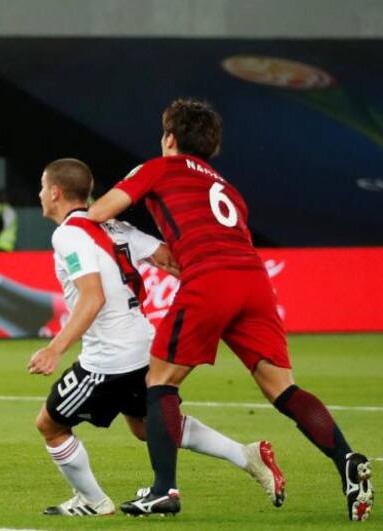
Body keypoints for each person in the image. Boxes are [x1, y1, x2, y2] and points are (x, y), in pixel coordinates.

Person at [87, 98, 373, 520]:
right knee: (282, 388)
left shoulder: (158, 168)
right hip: (254, 280)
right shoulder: (228, 189)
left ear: (169, 137)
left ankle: (164, 490)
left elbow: (98, 212)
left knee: (160, 382)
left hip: (210, 278)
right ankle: (346, 459)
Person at [32, 158, 284, 516]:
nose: (41, 194)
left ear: (55, 192)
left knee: (50, 424)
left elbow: (92, 297)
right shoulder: (117, 227)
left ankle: (93, 501)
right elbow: (173, 261)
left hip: (109, 359)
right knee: (150, 428)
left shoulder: (68, 234)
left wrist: (54, 349)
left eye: (43, 187)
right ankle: (246, 455)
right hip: (144, 348)